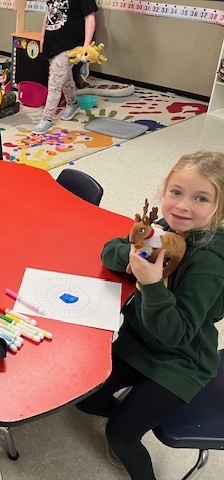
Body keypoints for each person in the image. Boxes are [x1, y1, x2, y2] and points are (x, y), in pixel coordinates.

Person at [76, 151, 224, 479]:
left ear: (219, 208)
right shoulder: (163, 226)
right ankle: (129, 408)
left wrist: (152, 284)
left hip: (179, 363)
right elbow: (110, 249)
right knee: (82, 397)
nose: (182, 206)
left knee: (120, 436)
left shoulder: (209, 265)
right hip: (137, 343)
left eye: (200, 198)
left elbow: (177, 334)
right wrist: (131, 258)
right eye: (176, 192)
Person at [33, 0, 98, 134]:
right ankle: (72, 103)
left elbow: (90, 17)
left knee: (55, 81)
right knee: (65, 76)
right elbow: (49, 13)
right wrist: (42, 36)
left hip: (70, 45)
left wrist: (86, 46)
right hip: (53, 43)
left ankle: (47, 119)